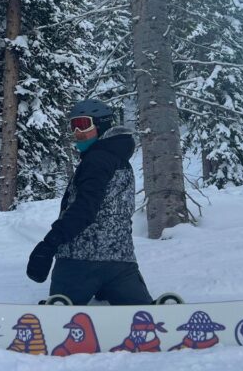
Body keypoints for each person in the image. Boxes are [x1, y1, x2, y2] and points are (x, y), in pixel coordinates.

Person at [25, 99, 153, 306]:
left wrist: (48, 246)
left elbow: (84, 209)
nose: (77, 131)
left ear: (101, 125)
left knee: (61, 313)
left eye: (84, 124)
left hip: (80, 261)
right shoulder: (120, 158)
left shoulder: (97, 159)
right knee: (142, 314)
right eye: (73, 125)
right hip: (121, 262)